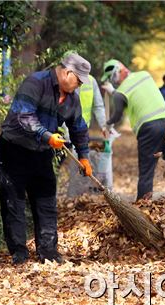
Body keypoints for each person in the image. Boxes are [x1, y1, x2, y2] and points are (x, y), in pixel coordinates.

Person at [0, 53, 93, 265]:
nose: (78, 86)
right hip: (13, 149)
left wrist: (84, 156)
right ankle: (19, 252)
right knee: (14, 202)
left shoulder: (72, 99)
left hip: (41, 153)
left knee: (46, 201)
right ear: (68, 73)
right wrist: (48, 136)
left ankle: (48, 251)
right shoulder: (35, 82)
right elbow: (24, 116)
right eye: (78, 80)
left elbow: (79, 128)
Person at [100, 59, 165, 201]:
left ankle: (142, 211)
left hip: (149, 130)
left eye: (113, 77)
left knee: (146, 172)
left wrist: (107, 126)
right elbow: (138, 94)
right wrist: (114, 92)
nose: (114, 81)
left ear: (121, 71)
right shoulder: (145, 75)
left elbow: (117, 115)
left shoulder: (121, 93)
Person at [63, 53, 108, 197]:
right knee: (58, 165)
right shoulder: (63, 82)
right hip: (60, 132)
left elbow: (98, 106)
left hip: (80, 131)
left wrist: (103, 125)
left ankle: (77, 196)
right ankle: (57, 196)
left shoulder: (91, 81)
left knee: (81, 164)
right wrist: (64, 133)